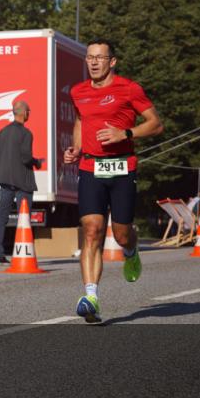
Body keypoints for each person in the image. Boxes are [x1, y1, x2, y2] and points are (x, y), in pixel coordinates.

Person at [63, 40, 163, 324]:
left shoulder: (129, 89)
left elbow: (156, 123)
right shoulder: (78, 91)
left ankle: (131, 251)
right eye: (89, 58)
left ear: (112, 61)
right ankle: (91, 297)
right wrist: (77, 148)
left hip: (122, 168)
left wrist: (126, 134)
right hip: (90, 166)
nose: (93, 62)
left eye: (99, 58)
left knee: (120, 234)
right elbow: (82, 120)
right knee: (92, 230)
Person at [0, 100, 42, 266]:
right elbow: (26, 157)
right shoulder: (26, 134)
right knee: (24, 218)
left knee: (1, 217)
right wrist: (37, 162)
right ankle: (24, 253)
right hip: (23, 182)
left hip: (5, 180)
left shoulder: (2, 131)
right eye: (29, 111)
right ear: (25, 113)